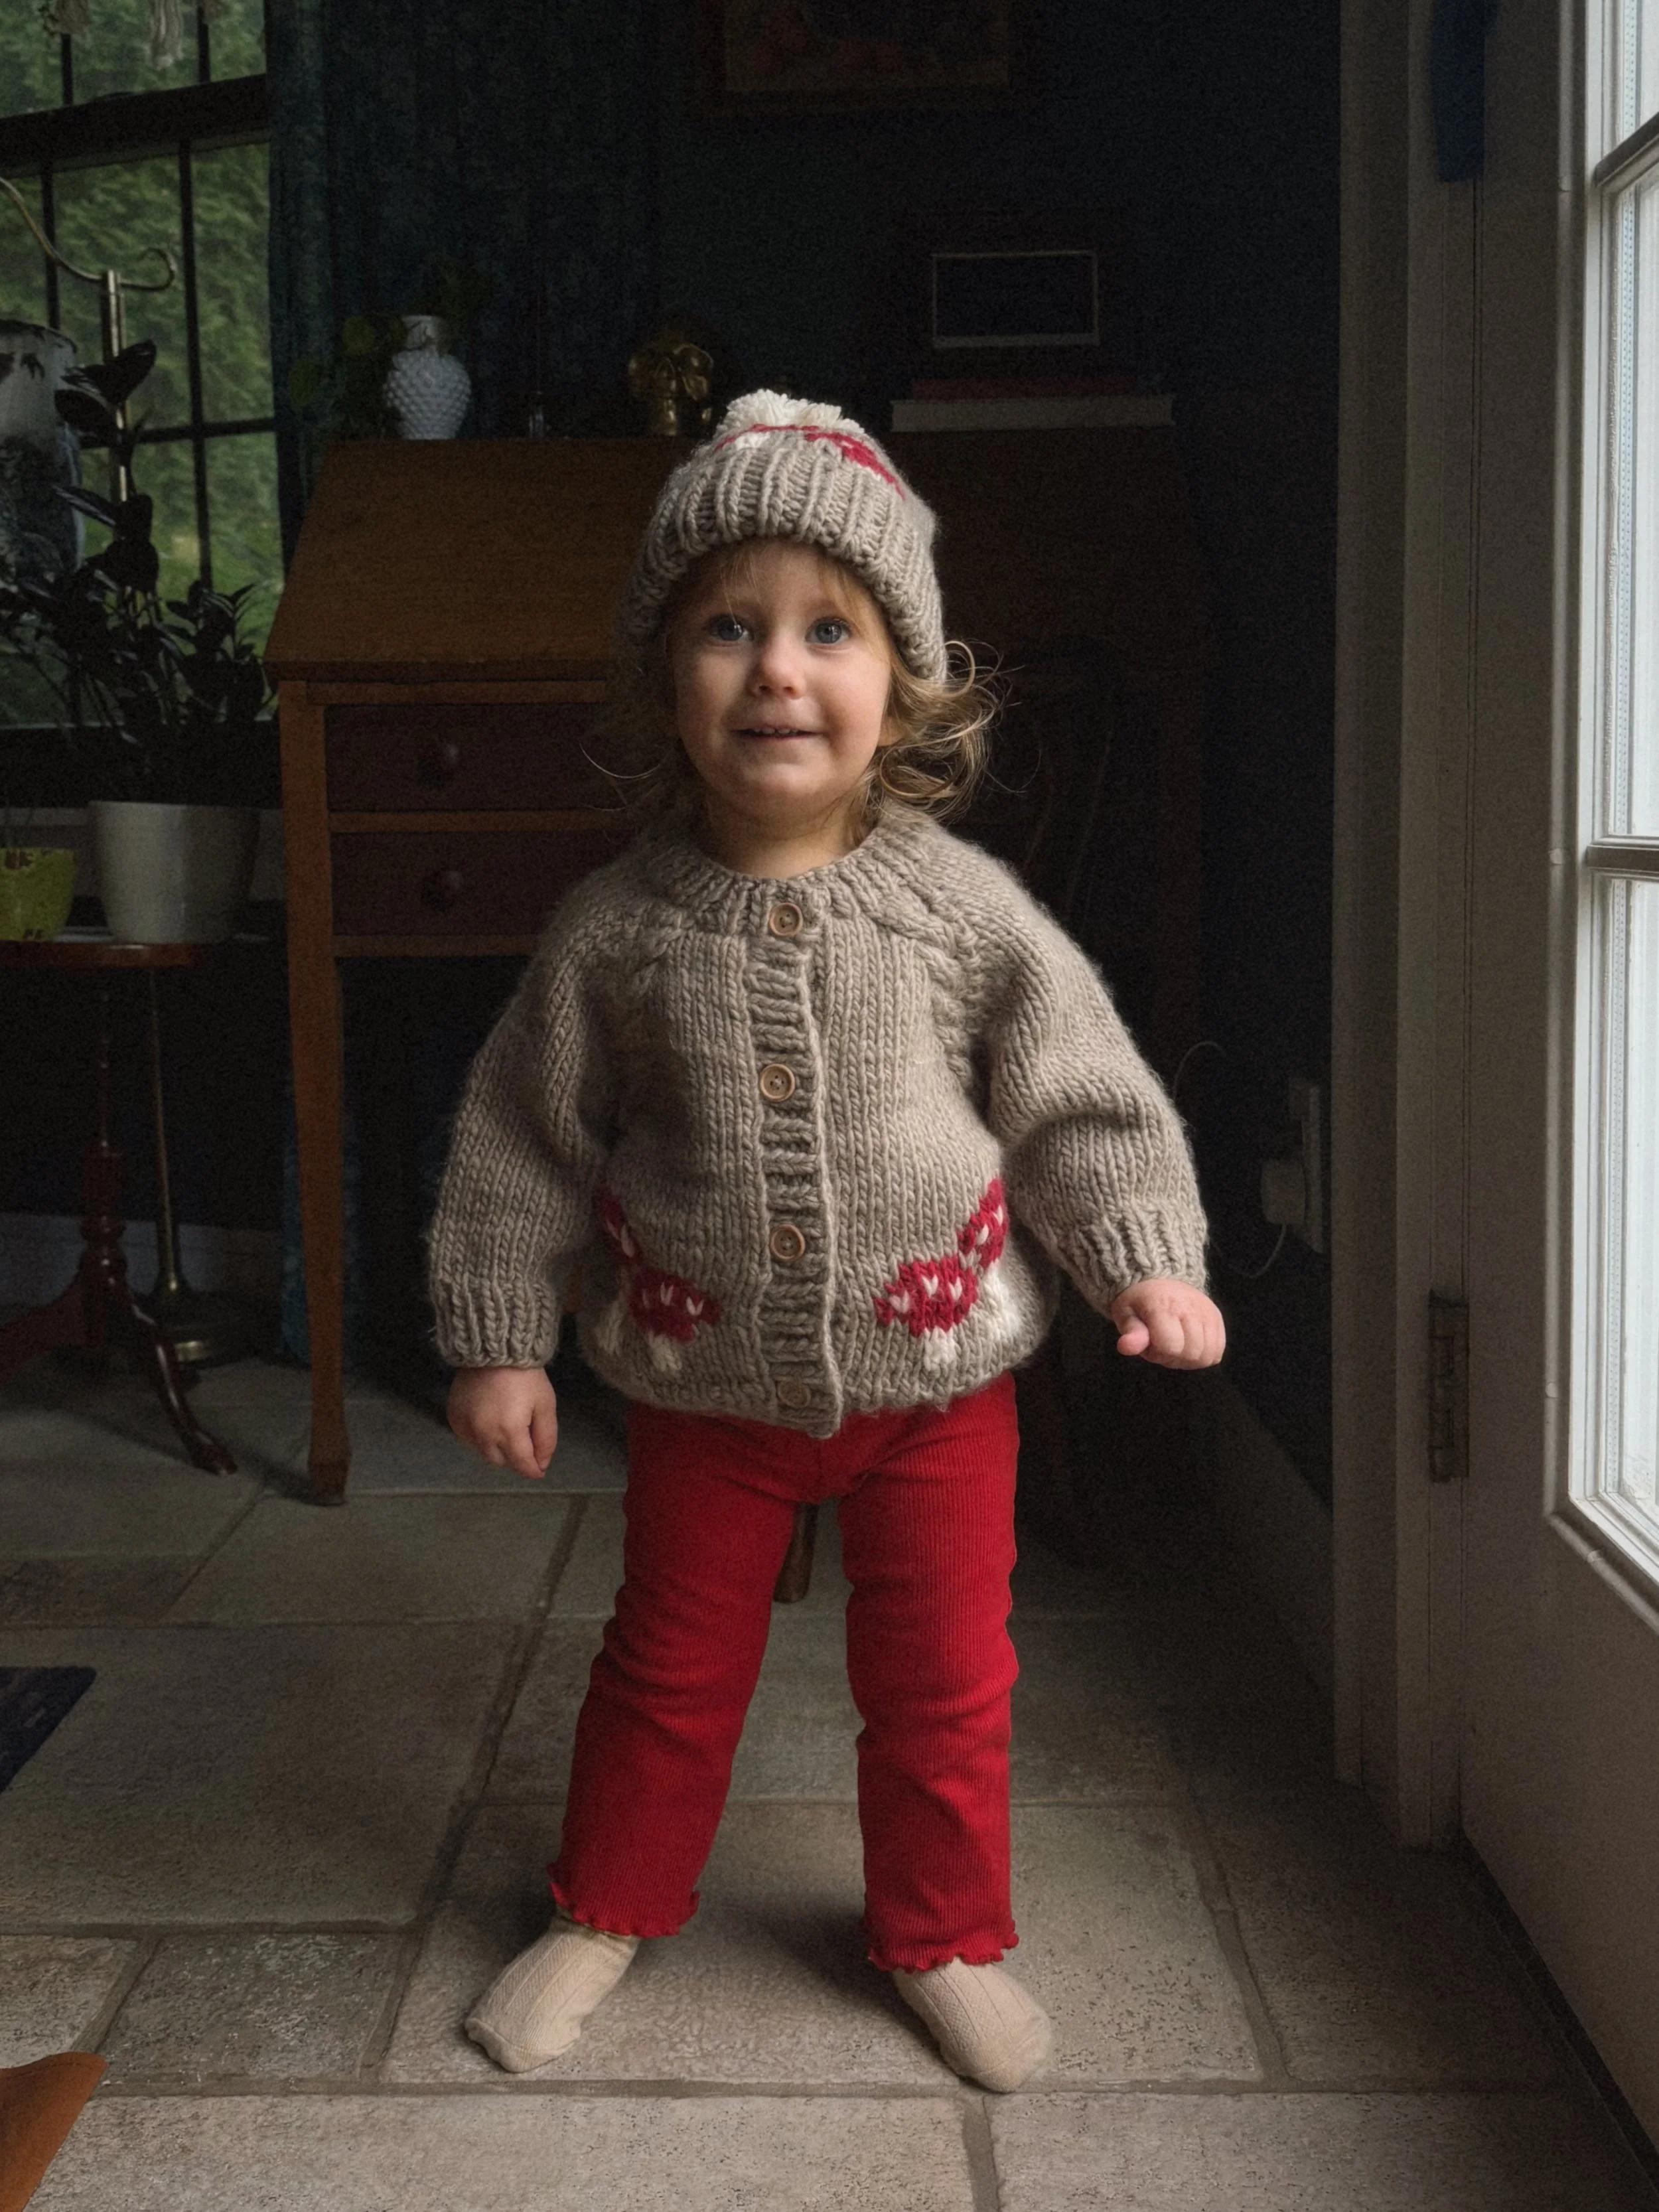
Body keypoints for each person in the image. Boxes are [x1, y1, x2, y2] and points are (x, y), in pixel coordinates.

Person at [427, 390, 1226, 2092]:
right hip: (700, 1389)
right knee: (665, 1666)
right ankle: (605, 1903)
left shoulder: (960, 910)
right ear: (665, 677)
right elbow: (521, 1137)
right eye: (728, 628)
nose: (776, 670)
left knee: (943, 1679)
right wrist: (500, 1334)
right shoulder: (613, 934)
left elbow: (1071, 1094)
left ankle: (940, 1932)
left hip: (939, 1389)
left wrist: (1139, 1255)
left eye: (828, 630)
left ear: (903, 681)